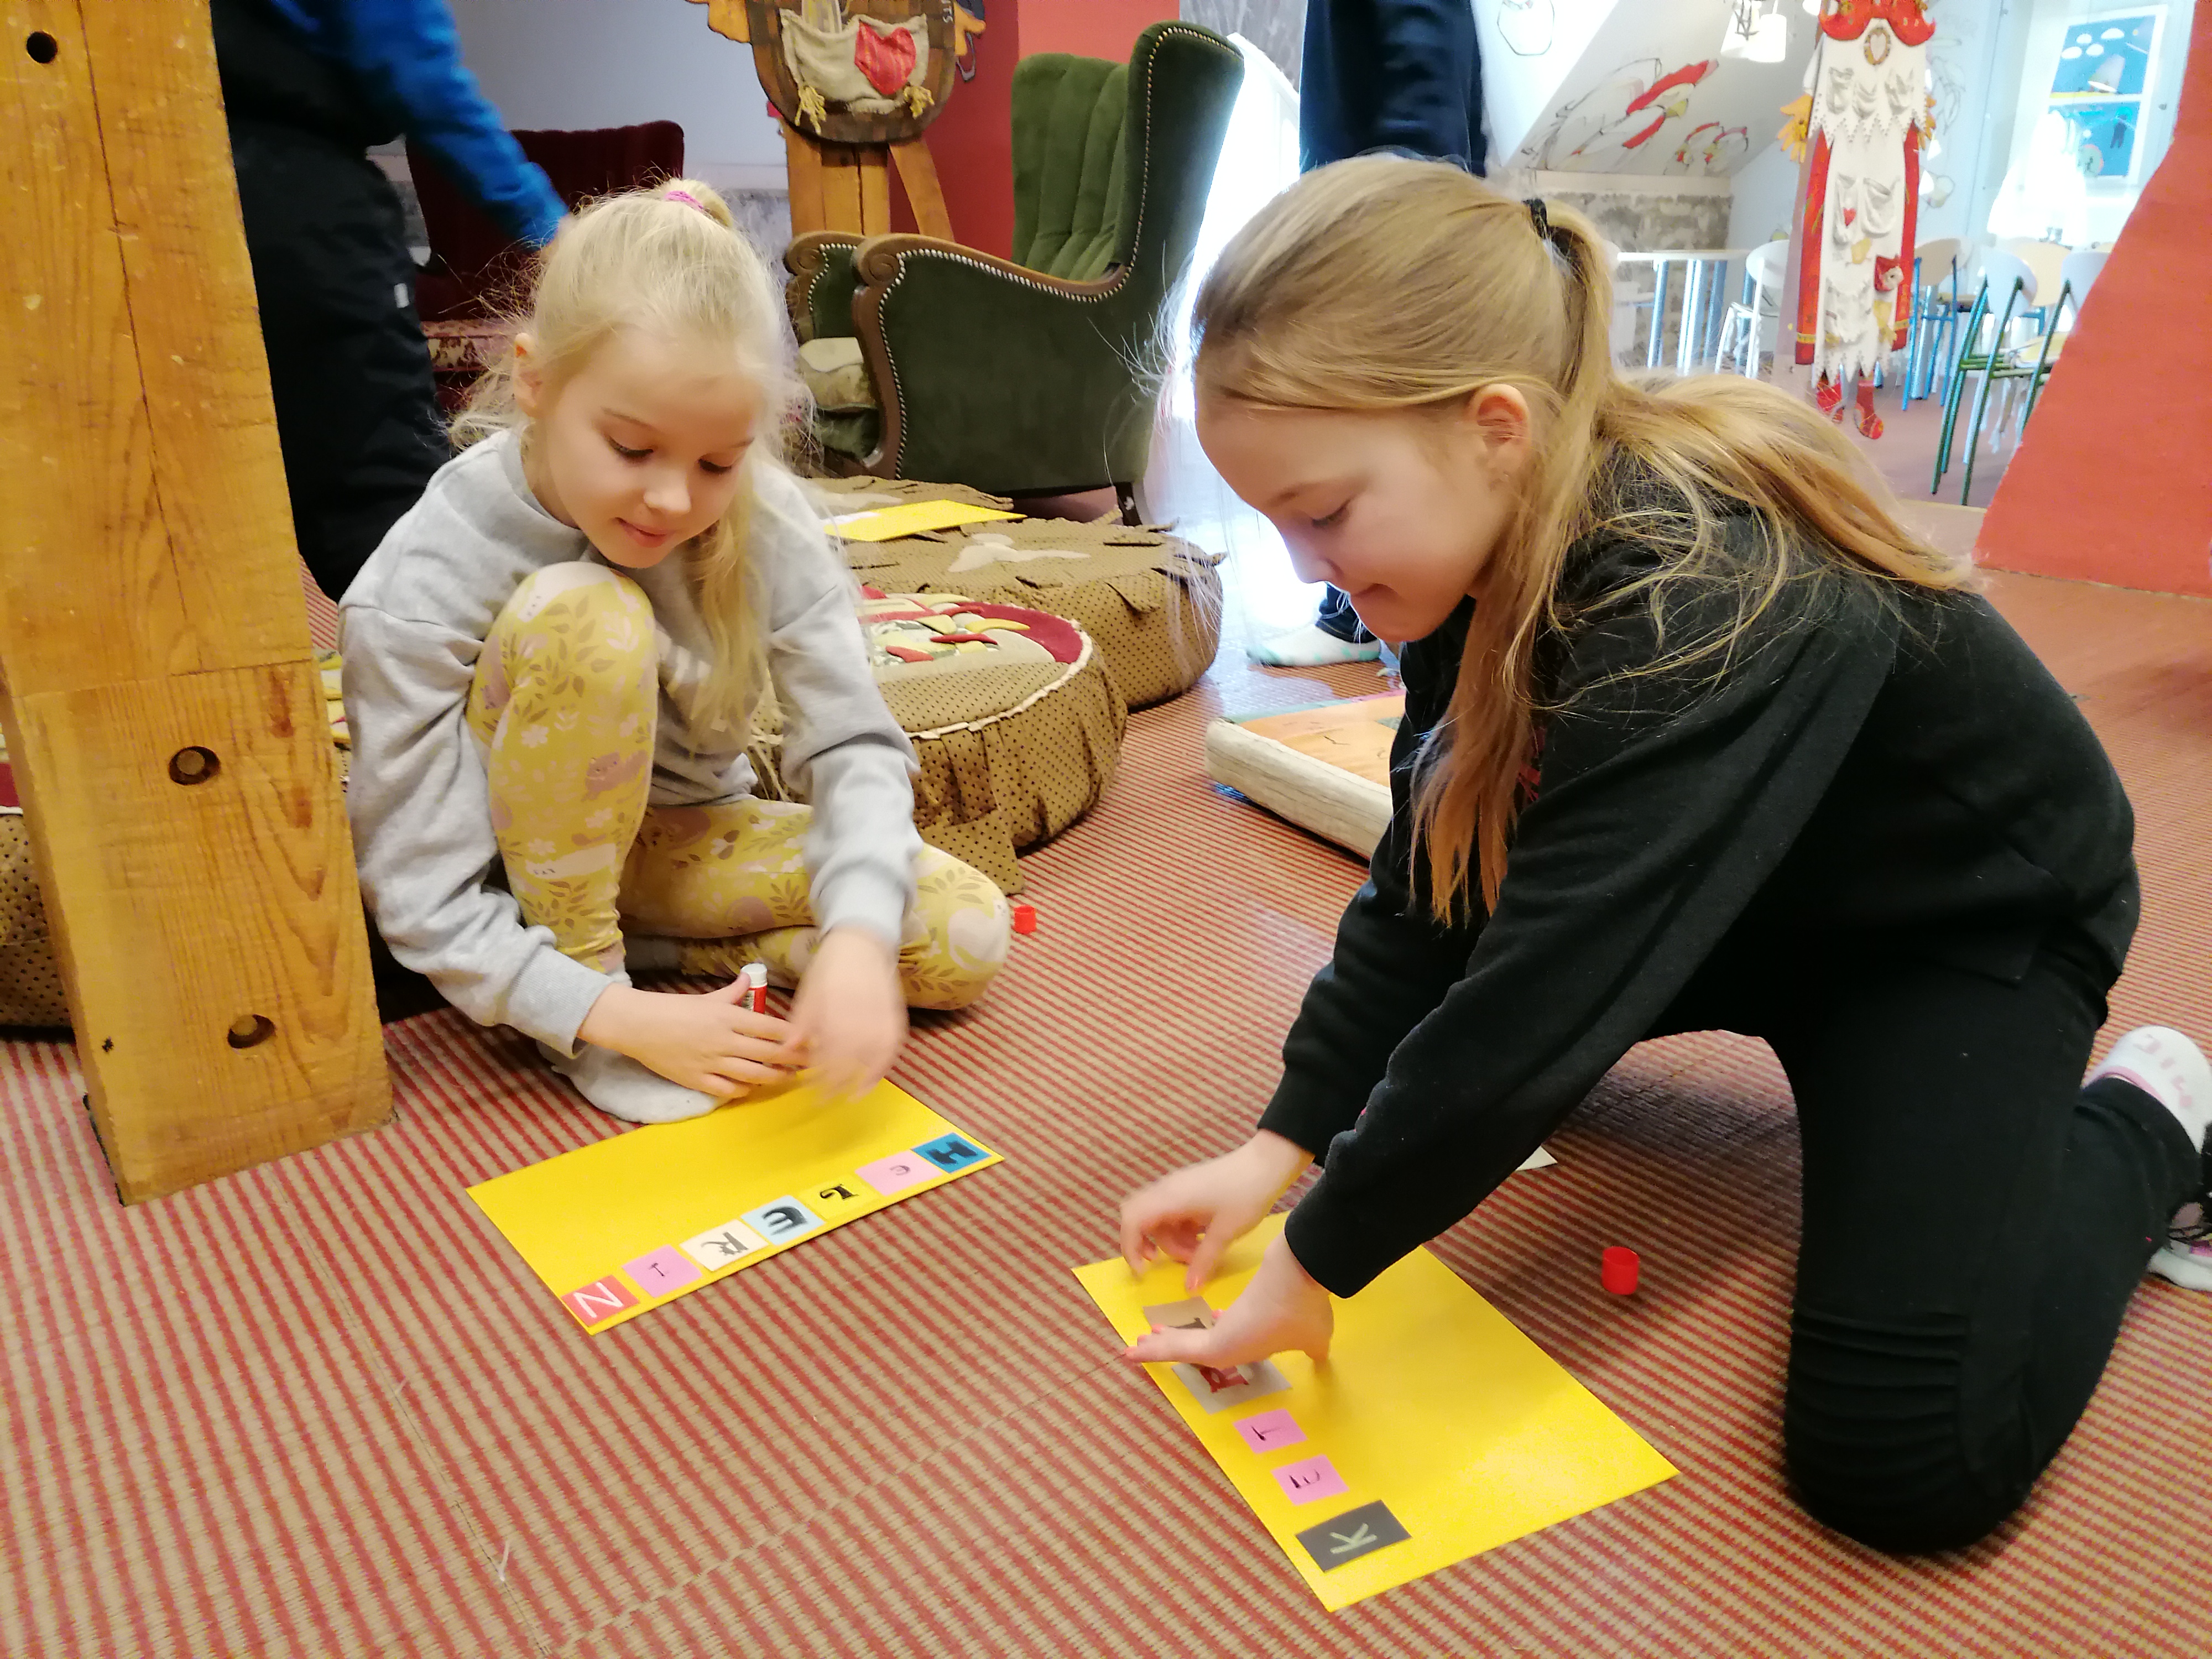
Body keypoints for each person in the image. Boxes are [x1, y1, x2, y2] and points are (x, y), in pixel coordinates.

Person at [1119, 159, 2211, 1552]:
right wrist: (1284, 1140)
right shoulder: (1462, 554)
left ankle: (2151, 1114)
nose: (1301, 568)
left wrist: (1318, 1252)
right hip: (1746, 886)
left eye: (1322, 513)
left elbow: (1549, 986)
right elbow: (1432, 882)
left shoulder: (1702, 586)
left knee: (1902, 1459)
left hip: (1953, 925)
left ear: (1495, 427)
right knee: (1453, 1055)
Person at [341, 180, 1012, 1124]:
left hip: (675, 849)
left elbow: (853, 745)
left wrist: (858, 941)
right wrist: (608, 1018)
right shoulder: (426, 578)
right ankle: (588, 985)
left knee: (962, 933)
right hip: (514, 876)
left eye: (717, 463)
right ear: (534, 382)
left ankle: (675, 964)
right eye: (630, 449)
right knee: (589, 614)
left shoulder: (763, 516)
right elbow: (420, 890)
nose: (671, 501)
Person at [212, 0, 567, 603]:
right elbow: (420, 75)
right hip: (298, 198)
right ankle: (434, 648)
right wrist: (550, 227)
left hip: (205, 180)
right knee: (385, 498)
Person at [1248, 0, 1486, 669]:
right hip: (1353, 221)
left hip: (1386, 237)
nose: (1300, 566)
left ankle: (1382, 626)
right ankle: (1355, 620)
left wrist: (1389, 238)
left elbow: (1428, 100)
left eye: (1322, 517)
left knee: (1378, 440)